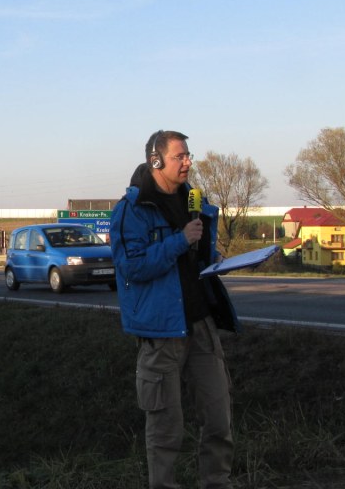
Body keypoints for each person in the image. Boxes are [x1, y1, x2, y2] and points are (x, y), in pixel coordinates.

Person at [110, 130, 233, 489]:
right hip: (161, 332)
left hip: (201, 325)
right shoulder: (133, 210)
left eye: (188, 155)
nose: (188, 162)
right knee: (166, 428)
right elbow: (132, 267)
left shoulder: (194, 201)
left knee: (219, 419)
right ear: (156, 160)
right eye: (180, 156)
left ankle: (217, 482)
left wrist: (217, 260)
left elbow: (196, 256)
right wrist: (180, 241)